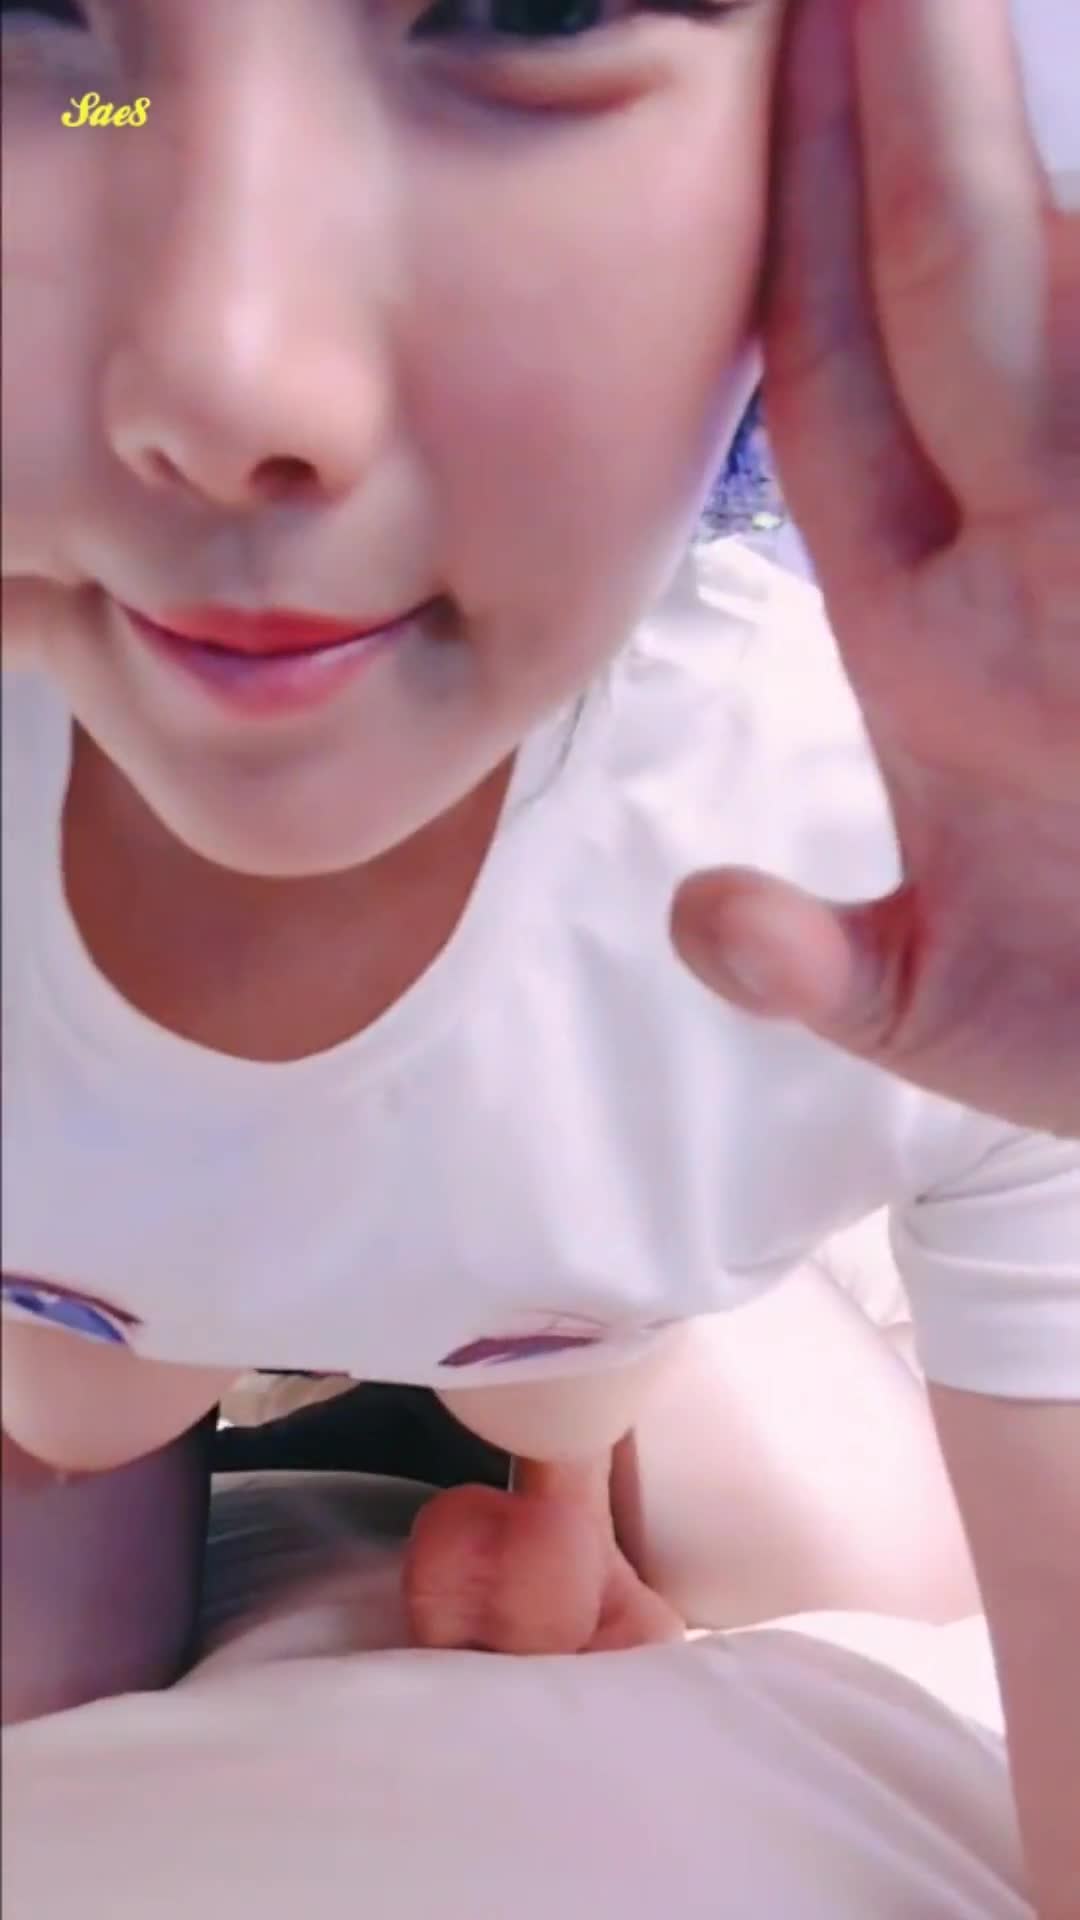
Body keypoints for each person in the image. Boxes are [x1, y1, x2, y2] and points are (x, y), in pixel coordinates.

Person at [1, 0, 1077, 1911]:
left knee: (798, 1523)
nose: (235, 386)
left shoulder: (894, 839)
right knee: (71, 1454)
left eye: (530, 4)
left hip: (550, 1302)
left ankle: (555, 1444)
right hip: (77, 1301)